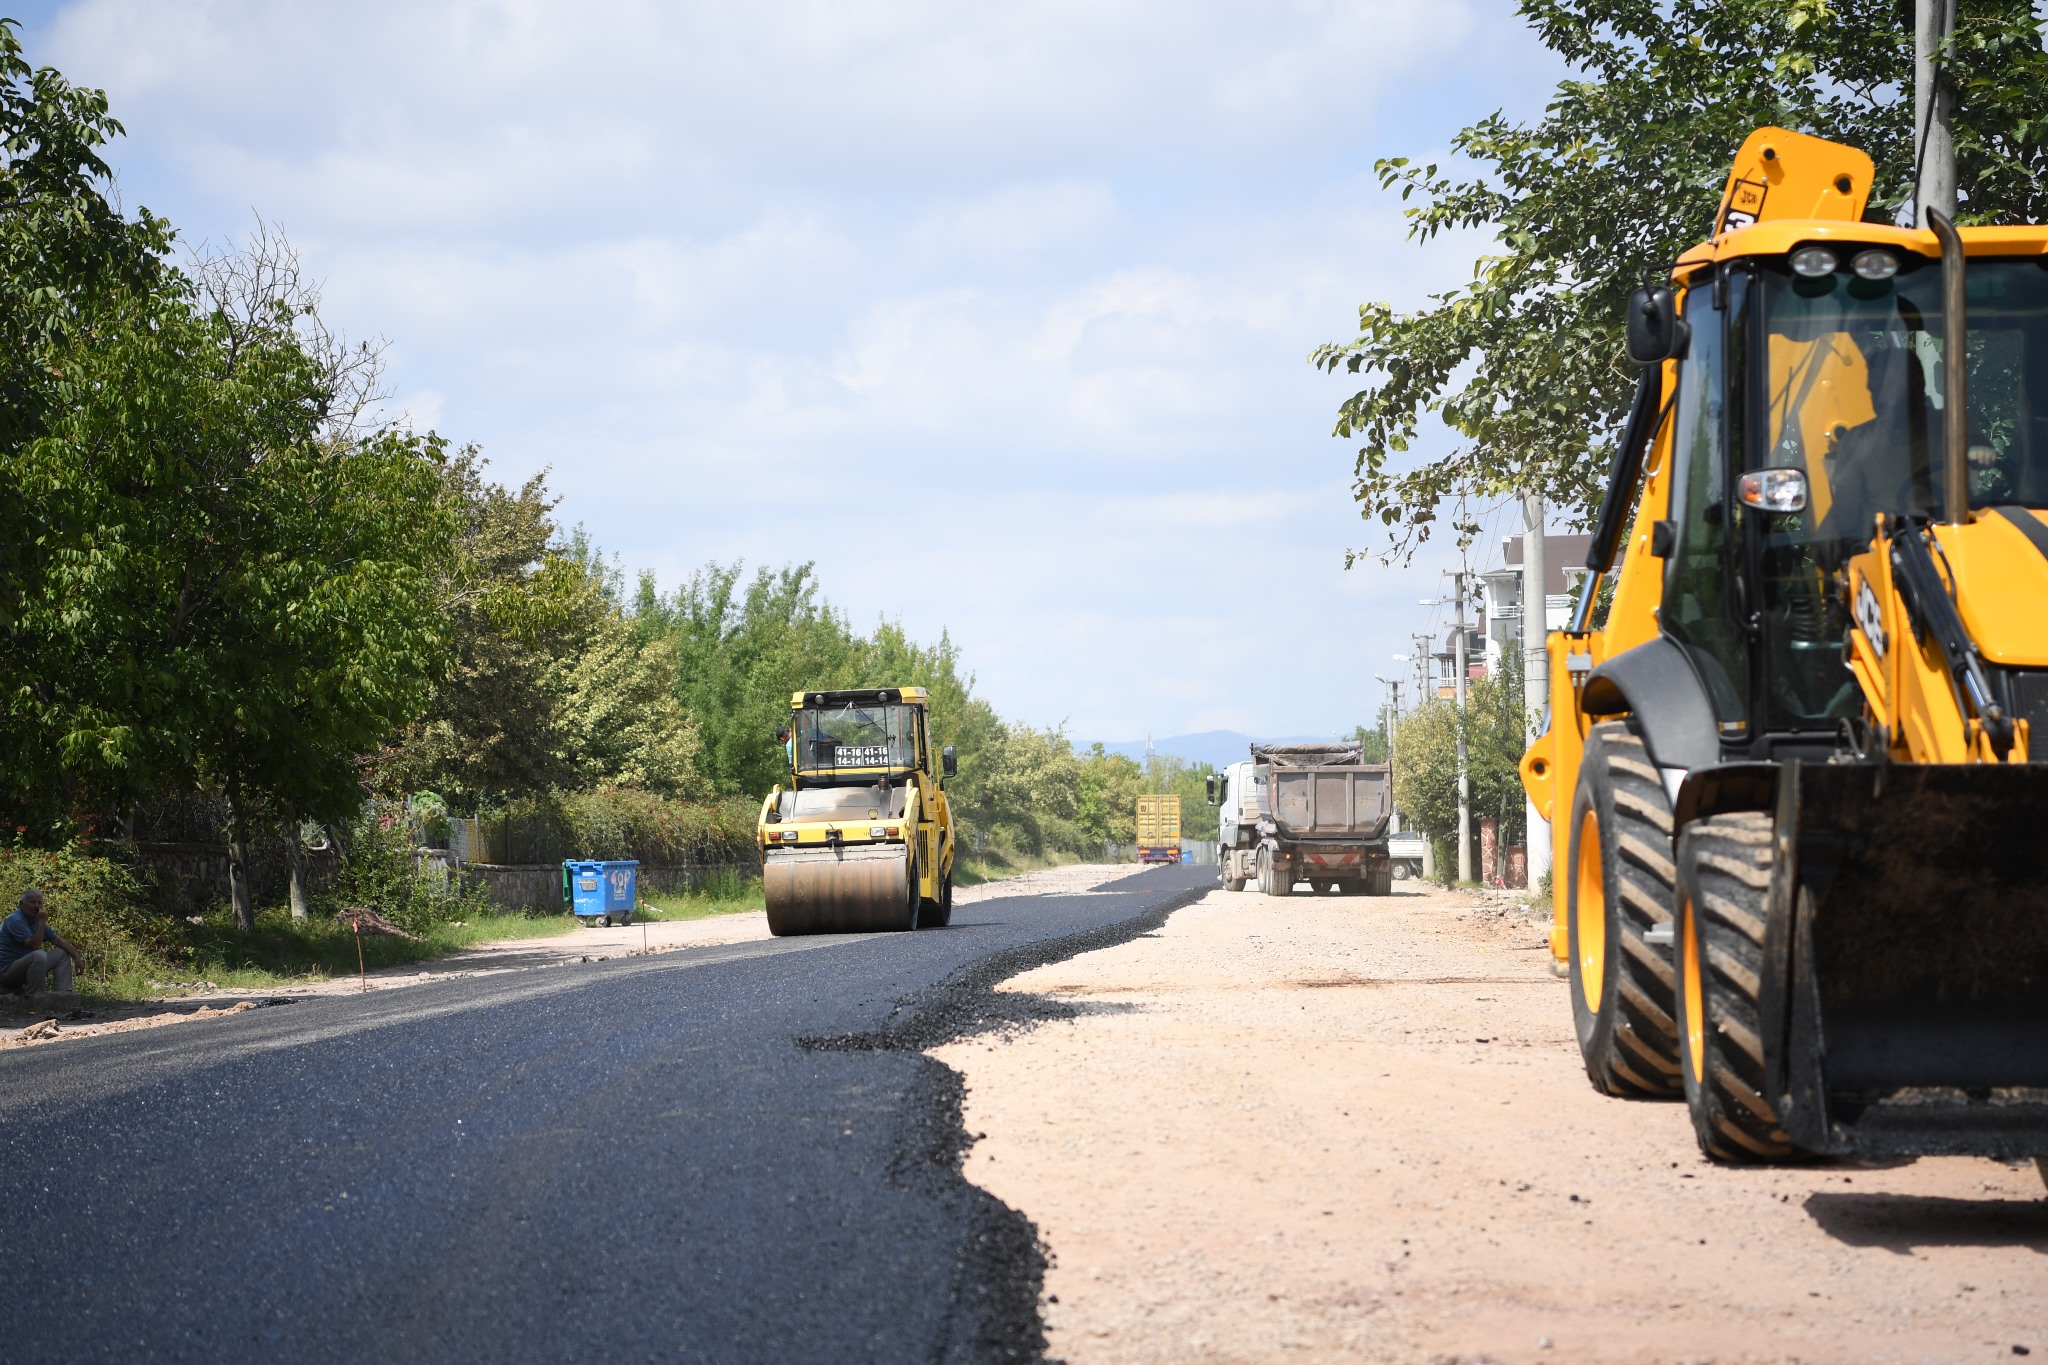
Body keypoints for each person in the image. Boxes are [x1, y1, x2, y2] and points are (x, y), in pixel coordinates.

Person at [0, 888, 77, 996]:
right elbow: (34, 945)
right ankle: (36, 997)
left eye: (39, 903)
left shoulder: (36, 921)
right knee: (38, 955)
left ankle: (64, 995)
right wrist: (42, 921)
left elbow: (58, 940)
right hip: (6, 972)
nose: (36, 906)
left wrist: (77, 958)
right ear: (21, 904)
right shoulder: (15, 920)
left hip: (25, 968)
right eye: (32, 902)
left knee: (61, 954)